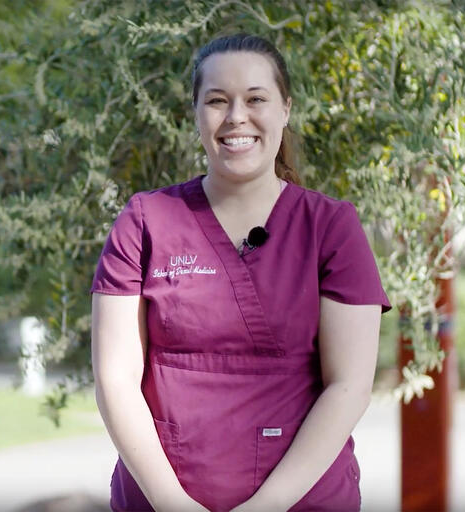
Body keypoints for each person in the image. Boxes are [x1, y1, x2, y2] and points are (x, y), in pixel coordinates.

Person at [90, 33, 392, 512]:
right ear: (195, 113)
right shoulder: (146, 220)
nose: (236, 117)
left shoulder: (332, 227)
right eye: (216, 101)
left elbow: (349, 386)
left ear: (285, 109)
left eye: (256, 99)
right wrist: (172, 503)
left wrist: (265, 507)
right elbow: (115, 376)